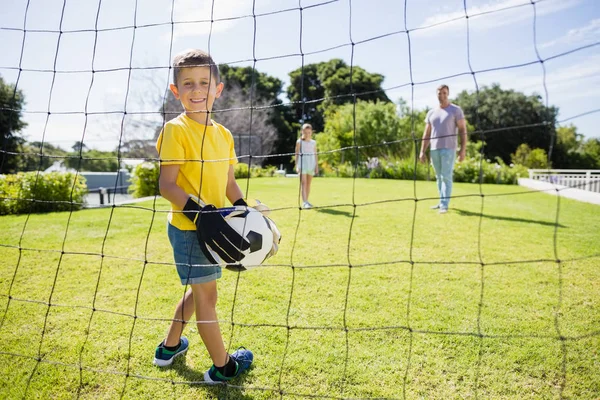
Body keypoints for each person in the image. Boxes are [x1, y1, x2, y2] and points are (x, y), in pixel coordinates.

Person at [153, 49, 253, 382]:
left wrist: (242, 209)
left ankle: (169, 347)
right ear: (175, 90)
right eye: (188, 84)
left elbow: (228, 181)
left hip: (216, 228)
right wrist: (200, 214)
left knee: (199, 291)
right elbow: (167, 186)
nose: (197, 90)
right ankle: (223, 367)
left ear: (217, 89)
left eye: (204, 83)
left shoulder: (223, 134)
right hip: (189, 227)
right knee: (208, 296)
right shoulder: (175, 130)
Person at [419, 84, 467, 214]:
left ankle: (444, 204)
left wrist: (462, 150)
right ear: (437, 94)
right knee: (439, 177)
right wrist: (422, 151)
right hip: (434, 149)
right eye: (440, 93)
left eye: (444, 93)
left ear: (448, 94)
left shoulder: (456, 110)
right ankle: (441, 201)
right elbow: (427, 133)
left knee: (446, 176)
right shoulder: (431, 112)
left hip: (449, 148)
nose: (442, 96)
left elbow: (463, 130)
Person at [295, 123, 318, 209]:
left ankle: (307, 201)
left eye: (309, 132)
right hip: (302, 165)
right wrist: (296, 165)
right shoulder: (299, 142)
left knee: (308, 184)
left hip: (311, 165)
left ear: (311, 132)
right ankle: (304, 202)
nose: (307, 134)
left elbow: (315, 154)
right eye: (305, 132)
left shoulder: (313, 143)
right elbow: (296, 154)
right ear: (302, 132)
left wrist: (316, 166)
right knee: (303, 183)